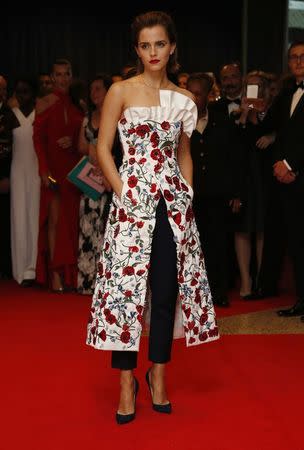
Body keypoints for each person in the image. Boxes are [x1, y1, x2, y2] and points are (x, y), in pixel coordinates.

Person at [86, 10, 219, 425]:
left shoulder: (184, 100)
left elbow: (184, 155)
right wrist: (124, 193)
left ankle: (157, 375)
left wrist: (187, 194)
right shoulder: (120, 92)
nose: (153, 52)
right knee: (126, 297)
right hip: (131, 206)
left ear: (172, 46)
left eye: (160, 43)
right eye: (145, 45)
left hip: (171, 208)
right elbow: (104, 150)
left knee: (163, 294)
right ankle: (126, 382)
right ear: (137, 50)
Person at [33, 59, 84, 292]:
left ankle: (71, 276)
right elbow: (38, 140)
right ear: (52, 78)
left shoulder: (77, 104)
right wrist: (44, 170)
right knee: (54, 221)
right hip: (53, 170)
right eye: (58, 74)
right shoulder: (44, 102)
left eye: (67, 74)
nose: (62, 79)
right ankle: (55, 275)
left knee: (71, 222)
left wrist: (73, 142)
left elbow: (82, 137)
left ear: (71, 76)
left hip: (73, 171)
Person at [9, 78, 40, 286]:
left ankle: (33, 269)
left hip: (37, 170)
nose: (23, 95)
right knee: (18, 217)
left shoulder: (41, 112)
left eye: (27, 91)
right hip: (17, 171)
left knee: (34, 217)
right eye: (19, 91)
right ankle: (19, 270)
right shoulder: (9, 115)